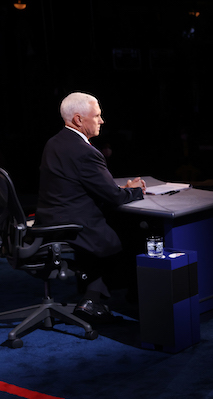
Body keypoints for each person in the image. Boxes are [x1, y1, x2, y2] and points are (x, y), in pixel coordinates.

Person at [35, 92, 146, 323]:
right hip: (73, 224)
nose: (101, 120)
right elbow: (114, 197)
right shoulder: (85, 151)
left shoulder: (53, 142)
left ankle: (92, 296)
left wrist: (118, 189)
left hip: (50, 220)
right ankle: (107, 298)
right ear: (78, 120)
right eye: (97, 116)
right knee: (130, 232)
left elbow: (78, 185)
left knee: (113, 226)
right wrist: (136, 190)